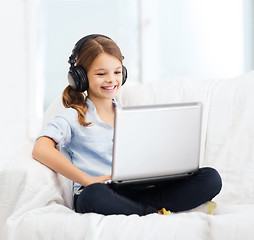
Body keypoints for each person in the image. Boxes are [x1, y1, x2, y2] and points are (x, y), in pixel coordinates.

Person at [32, 34, 222, 216]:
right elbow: (41, 149)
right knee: (93, 196)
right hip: (101, 191)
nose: (111, 79)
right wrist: (86, 180)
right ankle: (155, 211)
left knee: (210, 178)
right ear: (80, 77)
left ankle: (141, 209)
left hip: (137, 188)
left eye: (116, 72)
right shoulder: (73, 116)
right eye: (101, 73)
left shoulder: (129, 115)